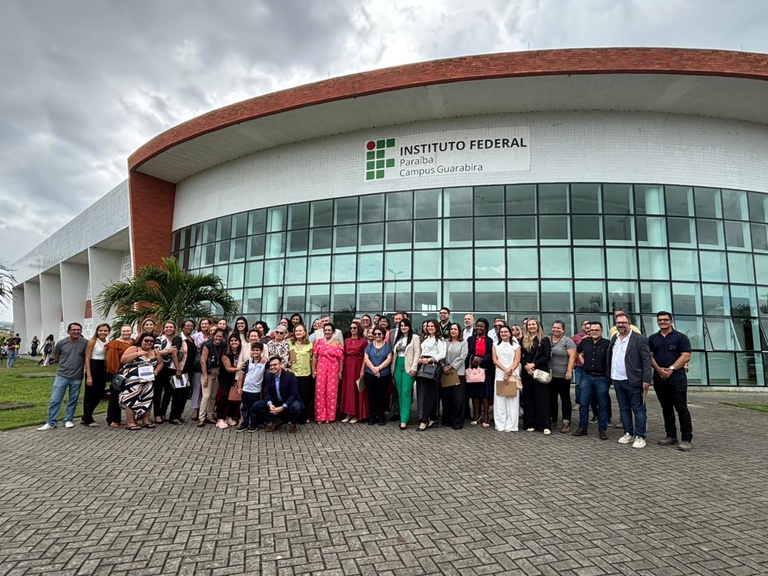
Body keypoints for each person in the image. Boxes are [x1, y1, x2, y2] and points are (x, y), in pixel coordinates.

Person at [649, 311, 693, 451]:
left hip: (677, 377)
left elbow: (685, 356)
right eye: (660, 320)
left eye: (665, 320)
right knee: (666, 407)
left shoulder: (681, 337)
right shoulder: (652, 338)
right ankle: (671, 435)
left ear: (671, 321)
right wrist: (659, 369)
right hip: (659, 377)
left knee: (681, 408)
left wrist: (671, 369)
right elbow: (650, 356)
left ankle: (686, 438)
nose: (662, 322)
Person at [609, 313, 653, 449]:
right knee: (623, 408)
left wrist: (646, 379)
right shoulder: (614, 338)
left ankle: (640, 436)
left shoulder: (640, 339)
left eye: (623, 322)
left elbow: (646, 361)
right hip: (617, 379)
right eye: (618, 323)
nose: (621, 325)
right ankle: (628, 432)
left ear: (629, 324)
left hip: (634, 380)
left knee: (638, 408)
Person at [37, 323, 88, 430]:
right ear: (68, 331)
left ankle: (68, 419)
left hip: (77, 376)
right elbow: (56, 357)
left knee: (73, 399)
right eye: (74, 329)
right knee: (55, 399)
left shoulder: (85, 343)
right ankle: (51, 422)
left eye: (78, 329)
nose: (76, 331)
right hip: (62, 375)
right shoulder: (61, 343)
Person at [572, 321, 612, 439]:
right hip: (587, 376)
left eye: (596, 330)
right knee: (583, 403)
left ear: (601, 331)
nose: (594, 332)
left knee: (602, 404)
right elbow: (578, 352)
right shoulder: (585, 342)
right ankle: (582, 428)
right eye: (592, 330)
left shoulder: (607, 344)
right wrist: (584, 363)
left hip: (602, 378)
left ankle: (602, 429)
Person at [118, 332, 164, 430]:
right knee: (131, 400)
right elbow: (123, 360)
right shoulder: (134, 348)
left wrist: (156, 371)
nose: (148, 343)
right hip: (132, 380)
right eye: (146, 340)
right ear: (141, 341)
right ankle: (130, 422)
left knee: (147, 399)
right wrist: (138, 354)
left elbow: (160, 363)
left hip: (147, 380)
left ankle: (146, 420)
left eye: (151, 341)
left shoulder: (155, 352)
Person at [521, 318, 553, 434]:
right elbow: (520, 355)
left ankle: (544, 425)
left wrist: (534, 364)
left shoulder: (544, 339)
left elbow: (547, 356)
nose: (531, 326)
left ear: (538, 326)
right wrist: (526, 366)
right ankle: (530, 423)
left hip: (540, 370)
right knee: (528, 398)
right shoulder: (523, 339)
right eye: (529, 325)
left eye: (533, 324)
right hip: (527, 372)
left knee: (542, 398)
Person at [255, 356, 304, 433]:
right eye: (271, 365)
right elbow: (267, 392)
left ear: (280, 365)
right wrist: (270, 404)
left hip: (289, 401)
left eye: (275, 365)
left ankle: (293, 423)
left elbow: (294, 394)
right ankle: (275, 420)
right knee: (257, 405)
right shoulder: (269, 376)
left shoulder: (289, 375)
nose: (272, 367)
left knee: (297, 406)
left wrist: (283, 407)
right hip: (276, 401)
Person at [415, 319, 446, 431]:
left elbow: (442, 354)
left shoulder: (440, 340)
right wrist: (420, 358)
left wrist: (430, 359)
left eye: (432, 326)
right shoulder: (426, 338)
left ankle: (424, 420)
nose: (430, 328)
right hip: (423, 366)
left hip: (433, 367)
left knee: (429, 394)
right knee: (427, 393)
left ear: (436, 327)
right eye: (428, 326)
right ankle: (433, 417)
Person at [312, 323, 344, 423]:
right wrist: (313, 370)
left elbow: (341, 358)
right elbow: (314, 357)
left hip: (333, 368)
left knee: (331, 392)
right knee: (320, 392)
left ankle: (330, 416)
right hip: (321, 367)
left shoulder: (337, 343)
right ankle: (320, 416)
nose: (327, 332)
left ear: (333, 331)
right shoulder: (319, 342)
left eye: (329, 330)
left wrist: (340, 371)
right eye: (325, 330)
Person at [392, 318, 421, 430]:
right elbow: (394, 354)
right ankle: (404, 416)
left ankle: (404, 420)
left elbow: (417, 353)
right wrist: (392, 369)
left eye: (405, 325)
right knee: (400, 393)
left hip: (408, 366)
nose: (403, 327)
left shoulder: (415, 337)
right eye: (401, 325)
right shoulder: (399, 338)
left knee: (406, 392)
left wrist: (414, 368)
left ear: (409, 327)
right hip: (397, 366)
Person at [104, 325, 135, 427]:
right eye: (124, 331)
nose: (126, 333)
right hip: (119, 373)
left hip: (130, 373)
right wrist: (115, 372)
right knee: (114, 396)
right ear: (120, 331)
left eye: (128, 331)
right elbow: (111, 359)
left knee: (125, 396)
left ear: (132, 331)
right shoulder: (115, 343)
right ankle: (112, 419)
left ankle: (120, 419)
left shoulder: (133, 342)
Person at [549, 321, 577, 433]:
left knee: (565, 399)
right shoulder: (548, 340)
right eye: (554, 327)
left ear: (563, 330)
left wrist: (569, 371)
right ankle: (553, 419)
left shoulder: (567, 341)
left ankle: (566, 422)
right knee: (551, 398)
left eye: (558, 328)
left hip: (563, 375)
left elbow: (572, 356)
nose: (556, 329)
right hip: (550, 375)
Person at [492, 325, 522, 432]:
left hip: (512, 372)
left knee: (512, 398)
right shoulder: (495, 345)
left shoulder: (516, 346)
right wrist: (505, 370)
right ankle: (500, 423)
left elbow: (517, 361)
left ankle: (511, 424)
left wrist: (509, 371)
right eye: (501, 332)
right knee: (500, 398)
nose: (503, 333)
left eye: (506, 332)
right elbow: (495, 360)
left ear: (510, 333)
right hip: (500, 372)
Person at [81, 323, 111, 427]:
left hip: (102, 368)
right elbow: (87, 358)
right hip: (93, 366)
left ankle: (86, 415)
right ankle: (88, 418)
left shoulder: (108, 341)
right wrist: (89, 375)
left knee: (99, 393)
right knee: (90, 394)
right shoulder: (92, 341)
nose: (103, 333)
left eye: (105, 331)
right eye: (100, 330)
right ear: (97, 331)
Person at [466, 318, 495, 427]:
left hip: (485, 370)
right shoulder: (470, 339)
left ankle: (486, 416)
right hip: (474, 370)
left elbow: (491, 353)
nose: (479, 328)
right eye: (478, 325)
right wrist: (474, 358)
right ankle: (476, 415)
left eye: (481, 326)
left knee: (485, 395)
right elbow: (467, 352)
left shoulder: (489, 340)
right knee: (475, 394)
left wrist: (481, 360)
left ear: (486, 329)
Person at [168, 319, 196, 425]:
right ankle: (173, 417)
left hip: (189, 371)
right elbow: (173, 354)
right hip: (179, 370)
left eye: (191, 326)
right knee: (177, 394)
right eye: (187, 325)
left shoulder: (192, 339)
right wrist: (178, 369)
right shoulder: (178, 339)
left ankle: (179, 415)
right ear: (182, 327)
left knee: (185, 395)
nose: (189, 327)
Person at [340, 320, 368, 424]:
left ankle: (356, 413)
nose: (352, 330)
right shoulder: (346, 341)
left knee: (356, 389)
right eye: (351, 328)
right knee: (348, 390)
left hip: (357, 366)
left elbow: (365, 357)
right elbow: (343, 355)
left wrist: (362, 370)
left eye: (354, 328)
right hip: (347, 367)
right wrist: (341, 370)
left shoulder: (363, 341)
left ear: (359, 329)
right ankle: (349, 412)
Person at [363, 327, 393, 425]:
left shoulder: (388, 346)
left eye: (379, 334)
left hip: (384, 375)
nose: (377, 336)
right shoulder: (370, 345)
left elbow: (389, 359)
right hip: (370, 374)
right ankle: (372, 416)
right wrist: (373, 369)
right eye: (375, 334)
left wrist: (378, 368)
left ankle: (381, 416)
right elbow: (366, 358)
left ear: (383, 335)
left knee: (382, 395)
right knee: (372, 395)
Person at [442, 322, 468, 430]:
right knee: (447, 398)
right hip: (446, 373)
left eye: (455, 329)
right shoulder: (445, 342)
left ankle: (457, 421)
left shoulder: (463, 342)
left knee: (458, 398)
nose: (453, 331)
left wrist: (451, 366)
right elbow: (441, 355)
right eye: (451, 329)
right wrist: (444, 366)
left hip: (458, 373)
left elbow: (462, 357)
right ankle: (447, 420)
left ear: (459, 331)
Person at [236, 343, 267, 432]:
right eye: (253, 350)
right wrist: (239, 387)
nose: (255, 352)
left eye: (257, 350)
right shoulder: (247, 362)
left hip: (256, 390)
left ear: (261, 351)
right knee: (245, 407)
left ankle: (253, 424)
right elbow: (241, 374)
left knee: (254, 408)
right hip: (246, 389)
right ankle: (244, 423)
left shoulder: (264, 362)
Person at [198, 328, 226, 427]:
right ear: (213, 336)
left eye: (220, 337)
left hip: (217, 372)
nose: (218, 338)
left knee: (213, 396)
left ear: (223, 338)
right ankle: (201, 418)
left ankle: (210, 415)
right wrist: (205, 376)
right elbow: (203, 361)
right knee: (206, 395)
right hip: (208, 372)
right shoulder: (207, 346)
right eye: (217, 336)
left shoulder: (223, 346)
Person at [154, 321, 179, 423]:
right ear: (164, 328)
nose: (169, 329)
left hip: (171, 368)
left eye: (171, 327)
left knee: (169, 391)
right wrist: (168, 351)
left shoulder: (176, 340)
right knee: (158, 392)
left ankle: (163, 412)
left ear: (174, 328)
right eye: (167, 327)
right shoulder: (159, 339)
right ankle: (157, 414)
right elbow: (156, 352)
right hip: (160, 367)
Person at [217, 334, 244, 429]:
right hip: (225, 377)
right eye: (231, 341)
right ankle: (220, 418)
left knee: (234, 397)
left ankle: (229, 416)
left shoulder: (241, 352)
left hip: (235, 377)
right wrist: (240, 368)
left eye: (236, 340)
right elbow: (228, 368)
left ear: (239, 342)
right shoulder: (225, 353)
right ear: (229, 342)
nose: (234, 342)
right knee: (224, 395)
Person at [288, 324, 315, 422]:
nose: (298, 332)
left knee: (305, 396)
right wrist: (287, 363)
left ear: (304, 332)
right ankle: (292, 417)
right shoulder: (289, 343)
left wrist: (313, 371)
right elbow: (285, 357)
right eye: (296, 331)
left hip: (305, 374)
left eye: (300, 331)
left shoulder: (310, 344)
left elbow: (313, 359)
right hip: (293, 374)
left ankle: (304, 417)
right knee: (292, 396)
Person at [190, 317, 212, 421]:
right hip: (198, 365)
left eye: (206, 323)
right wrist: (203, 342)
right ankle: (195, 409)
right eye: (202, 324)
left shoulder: (213, 335)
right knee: (197, 388)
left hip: (210, 366)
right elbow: (193, 350)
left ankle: (206, 411)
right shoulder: (195, 336)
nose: (204, 325)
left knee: (207, 389)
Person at [571, 320, 591, 407]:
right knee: (578, 384)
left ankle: (590, 403)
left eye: (588, 325)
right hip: (579, 365)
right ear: (581, 326)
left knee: (590, 385)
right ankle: (578, 403)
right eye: (584, 324)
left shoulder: (594, 336)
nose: (586, 326)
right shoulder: (575, 337)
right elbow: (572, 351)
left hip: (591, 367)